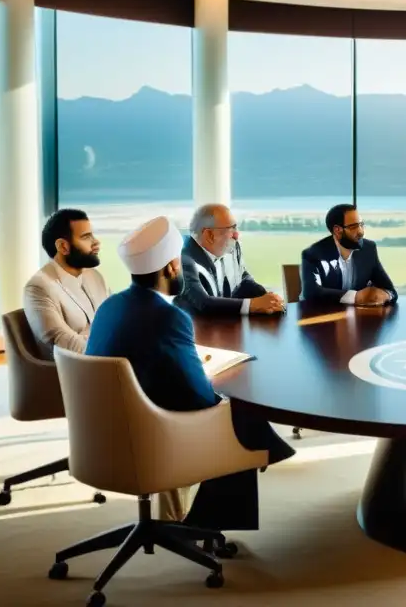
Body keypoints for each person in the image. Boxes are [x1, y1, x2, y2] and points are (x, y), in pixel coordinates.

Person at [87, 216, 294, 530]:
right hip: (150, 434)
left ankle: (268, 450)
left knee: (235, 409)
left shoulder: (110, 306)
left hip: (102, 435)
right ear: (171, 268)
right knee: (238, 410)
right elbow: (199, 397)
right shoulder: (169, 316)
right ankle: (205, 527)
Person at [23, 209, 111, 357]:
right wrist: (116, 346)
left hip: (108, 361)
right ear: (63, 246)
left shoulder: (95, 276)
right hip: (74, 372)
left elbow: (113, 321)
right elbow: (63, 343)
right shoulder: (39, 287)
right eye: (86, 237)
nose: (96, 242)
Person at [175, 204, 284, 316]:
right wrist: (252, 305)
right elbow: (204, 303)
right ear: (209, 235)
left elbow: (243, 280)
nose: (236, 235)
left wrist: (267, 298)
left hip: (226, 327)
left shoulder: (232, 250)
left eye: (236, 227)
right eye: (231, 229)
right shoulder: (183, 259)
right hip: (194, 328)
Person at [300, 204, 397, 305]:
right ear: (337, 230)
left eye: (361, 225)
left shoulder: (368, 249)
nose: (361, 232)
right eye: (354, 227)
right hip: (319, 315)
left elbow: (390, 290)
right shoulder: (313, 254)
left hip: (358, 317)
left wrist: (385, 295)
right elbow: (311, 292)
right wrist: (355, 297)